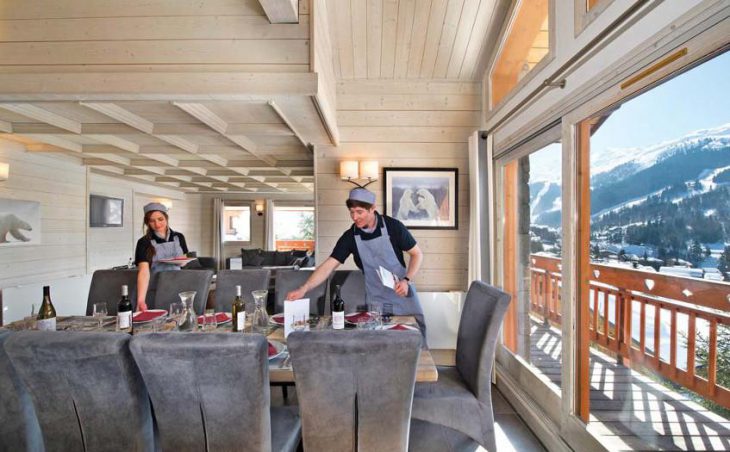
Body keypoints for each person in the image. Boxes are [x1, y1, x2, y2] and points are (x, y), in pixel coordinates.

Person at [286, 187, 426, 333]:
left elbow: (417, 254)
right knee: (380, 341)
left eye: (360, 212)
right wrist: (304, 288)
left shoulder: (393, 227)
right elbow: (328, 265)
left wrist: (406, 280)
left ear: (372, 209)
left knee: (413, 336)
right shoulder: (350, 237)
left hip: (402, 292)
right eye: (352, 212)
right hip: (376, 298)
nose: (354, 217)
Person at [135, 202, 189, 311]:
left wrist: (181, 261)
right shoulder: (143, 242)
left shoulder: (179, 237)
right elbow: (144, 272)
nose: (157, 224)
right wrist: (140, 300)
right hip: (156, 287)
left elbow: (183, 261)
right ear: (147, 223)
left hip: (178, 285)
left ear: (166, 218)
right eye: (152, 221)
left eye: (160, 219)